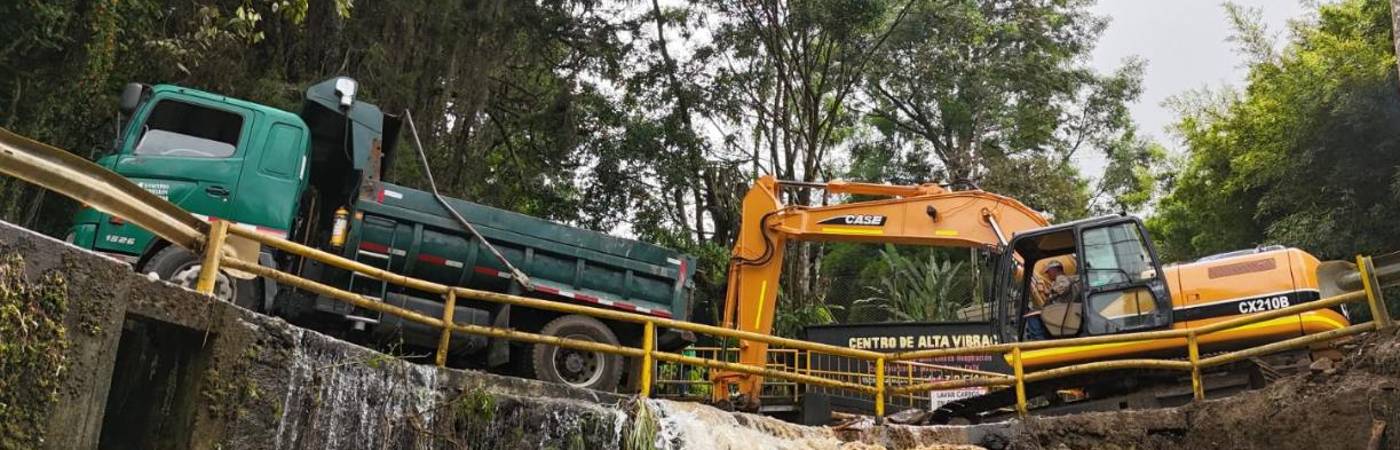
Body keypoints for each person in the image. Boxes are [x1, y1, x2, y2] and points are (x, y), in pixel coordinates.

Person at [1025, 259, 1077, 340]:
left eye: (1048, 272)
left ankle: (1039, 341)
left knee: (1032, 315)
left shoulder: (1061, 278)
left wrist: (1050, 291)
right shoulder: (1057, 281)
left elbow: (1064, 286)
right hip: (1060, 310)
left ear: (1054, 270)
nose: (1048, 275)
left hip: (1060, 311)